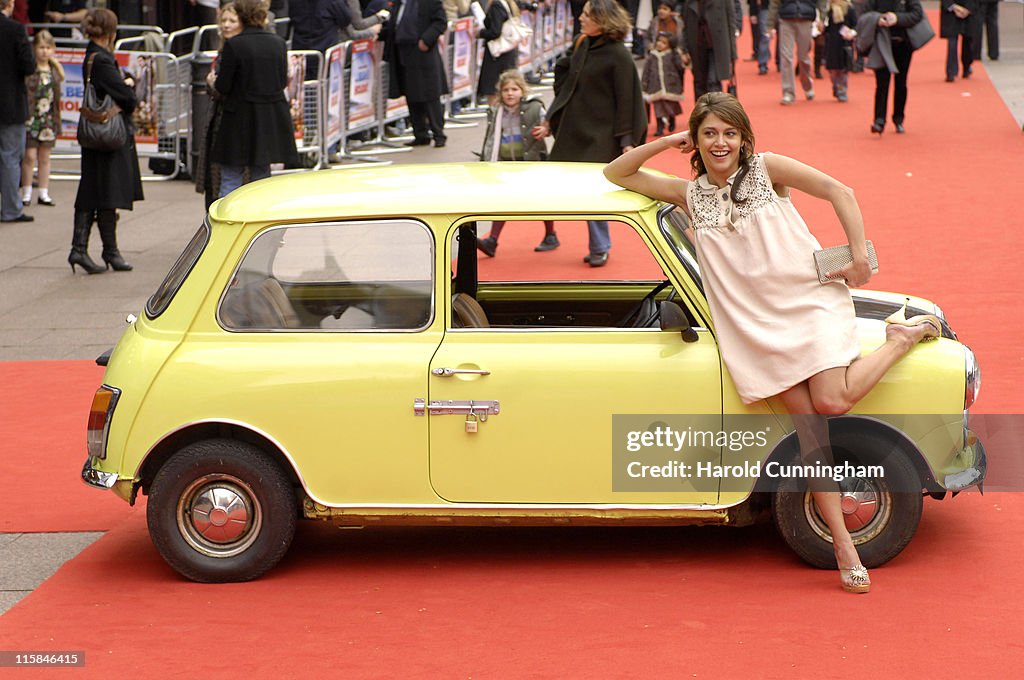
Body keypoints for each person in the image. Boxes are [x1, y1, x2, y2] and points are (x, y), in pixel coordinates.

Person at [604, 92, 942, 594]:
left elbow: (839, 190)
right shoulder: (688, 194)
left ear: (744, 139)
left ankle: (900, 338)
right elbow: (618, 173)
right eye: (710, 133)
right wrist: (670, 138)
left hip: (807, 303)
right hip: (754, 327)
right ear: (696, 141)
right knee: (812, 440)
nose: (721, 142)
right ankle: (844, 546)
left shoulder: (767, 170)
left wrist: (859, 256)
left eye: (730, 133)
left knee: (833, 399)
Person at [536, 0, 644, 267]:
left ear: (602, 20)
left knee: (595, 190)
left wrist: (627, 141)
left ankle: (600, 246)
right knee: (561, 185)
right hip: (576, 129)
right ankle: (553, 234)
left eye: (586, 14)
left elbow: (627, 99)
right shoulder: (583, 43)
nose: (580, 18)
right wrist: (551, 118)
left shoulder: (618, 54)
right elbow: (569, 83)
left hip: (602, 134)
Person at [68, 8, 142, 273]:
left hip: (96, 136)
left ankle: (84, 249)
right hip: (107, 137)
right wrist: (130, 85)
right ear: (110, 30)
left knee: (93, 190)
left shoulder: (93, 55)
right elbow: (126, 97)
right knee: (106, 192)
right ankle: (106, 250)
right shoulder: (101, 59)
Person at [210, 0, 298, 197]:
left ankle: (229, 221)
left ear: (242, 17)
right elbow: (282, 80)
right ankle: (260, 220)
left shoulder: (235, 45)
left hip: (238, 118)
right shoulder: (278, 43)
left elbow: (224, 86)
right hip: (269, 117)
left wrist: (212, 83)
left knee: (231, 177)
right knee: (261, 175)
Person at [476, 69, 559, 256]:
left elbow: (549, 123)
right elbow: (490, 137)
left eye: (514, 89)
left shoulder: (535, 108)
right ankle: (493, 241)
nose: (510, 93)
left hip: (531, 161)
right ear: (500, 93)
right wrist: (486, 160)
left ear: (522, 91)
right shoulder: (496, 112)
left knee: (540, 200)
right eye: (506, 90)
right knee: (502, 201)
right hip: (506, 164)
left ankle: (550, 234)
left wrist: (546, 130)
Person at [382, 0, 449, 147]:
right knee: (411, 95)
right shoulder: (399, 4)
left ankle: (438, 134)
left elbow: (440, 22)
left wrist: (426, 39)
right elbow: (394, 25)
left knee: (430, 95)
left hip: (423, 53)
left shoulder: (429, 2)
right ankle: (420, 134)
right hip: (402, 52)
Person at [195, 3, 242, 208]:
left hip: (231, 124)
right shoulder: (224, 49)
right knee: (214, 181)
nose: (226, 25)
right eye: (223, 20)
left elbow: (224, 88)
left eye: (232, 21)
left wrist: (212, 83)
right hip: (217, 123)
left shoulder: (237, 50)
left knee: (226, 180)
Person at [0, 0, 35, 224]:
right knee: (11, 157)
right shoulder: (15, 29)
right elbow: (28, 65)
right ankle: (11, 208)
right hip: (10, 103)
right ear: (10, 4)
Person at [864, 0, 922, 134]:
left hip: (903, 44)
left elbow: (917, 14)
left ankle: (898, 118)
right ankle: (879, 120)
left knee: (901, 83)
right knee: (881, 83)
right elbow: (865, 14)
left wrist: (898, 18)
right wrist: (877, 19)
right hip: (882, 43)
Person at [19, 30, 62, 208]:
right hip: (31, 117)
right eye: (41, 47)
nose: (44, 51)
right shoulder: (30, 69)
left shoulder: (54, 71)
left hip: (48, 118)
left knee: (45, 157)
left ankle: (44, 192)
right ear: (34, 49)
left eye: (47, 47)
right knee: (29, 156)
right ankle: (26, 191)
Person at [768, 0, 826, 104]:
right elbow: (774, 3)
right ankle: (788, 92)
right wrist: (770, 24)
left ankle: (807, 85)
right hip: (786, 19)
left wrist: (822, 18)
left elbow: (822, 1)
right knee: (786, 57)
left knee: (803, 57)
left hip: (806, 18)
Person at [679, 0, 737, 99]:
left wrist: (733, 53)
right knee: (699, 82)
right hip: (697, 45)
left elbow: (731, 24)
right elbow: (685, 26)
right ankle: (701, 112)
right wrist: (684, 49)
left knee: (713, 80)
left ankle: (715, 111)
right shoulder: (689, 2)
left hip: (717, 45)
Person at [477, 0, 522, 106]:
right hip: (507, 53)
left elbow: (495, 31)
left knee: (494, 92)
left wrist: (480, 33)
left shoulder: (496, 5)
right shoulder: (508, 4)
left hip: (497, 56)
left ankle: (495, 120)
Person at [641, 32, 685, 136]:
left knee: (670, 106)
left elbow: (680, 69)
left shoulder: (673, 55)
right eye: (659, 41)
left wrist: (680, 57)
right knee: (658, 108)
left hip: (670, 86)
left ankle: (671, 119)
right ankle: (659, 127)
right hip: (655, 86)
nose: (660, 44)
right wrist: (644, 85)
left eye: (664, 43)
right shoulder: (652, 56)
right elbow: (646, 71)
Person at [823, 0, 856, 101]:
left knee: (843, 68)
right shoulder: (828, 9)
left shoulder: (849, 9)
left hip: (845, 42)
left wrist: (852, 33)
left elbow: (855, 24)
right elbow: (826, 26)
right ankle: (836, 85)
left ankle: (842, 90)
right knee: (832, 69)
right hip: (832, 42)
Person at [940, 0, 978, 83]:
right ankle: (959, 69)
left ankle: (957, 70)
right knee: (957, 40)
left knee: (962, 40)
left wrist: (964, 9)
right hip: (960, 9)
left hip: (960, 9)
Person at [747, 0, 771, 74]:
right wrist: (753, 12)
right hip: (764, 7)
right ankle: (762, 63)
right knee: (764, 35)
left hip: (781, 6)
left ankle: (779, 62)